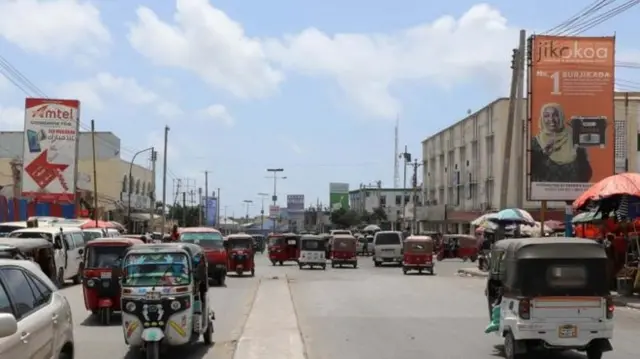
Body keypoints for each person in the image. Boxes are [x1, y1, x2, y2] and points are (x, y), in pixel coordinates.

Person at [530, 103, 592, 183]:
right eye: (546, 116)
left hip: (571, 193)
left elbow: (586, 173)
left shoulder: (575, 141)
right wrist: (543, 153)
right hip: (543, 194)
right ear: (542, 119)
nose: (551, 119)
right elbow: (530, 170)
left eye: (555, 115)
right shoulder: (534, 143)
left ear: (561, 117)